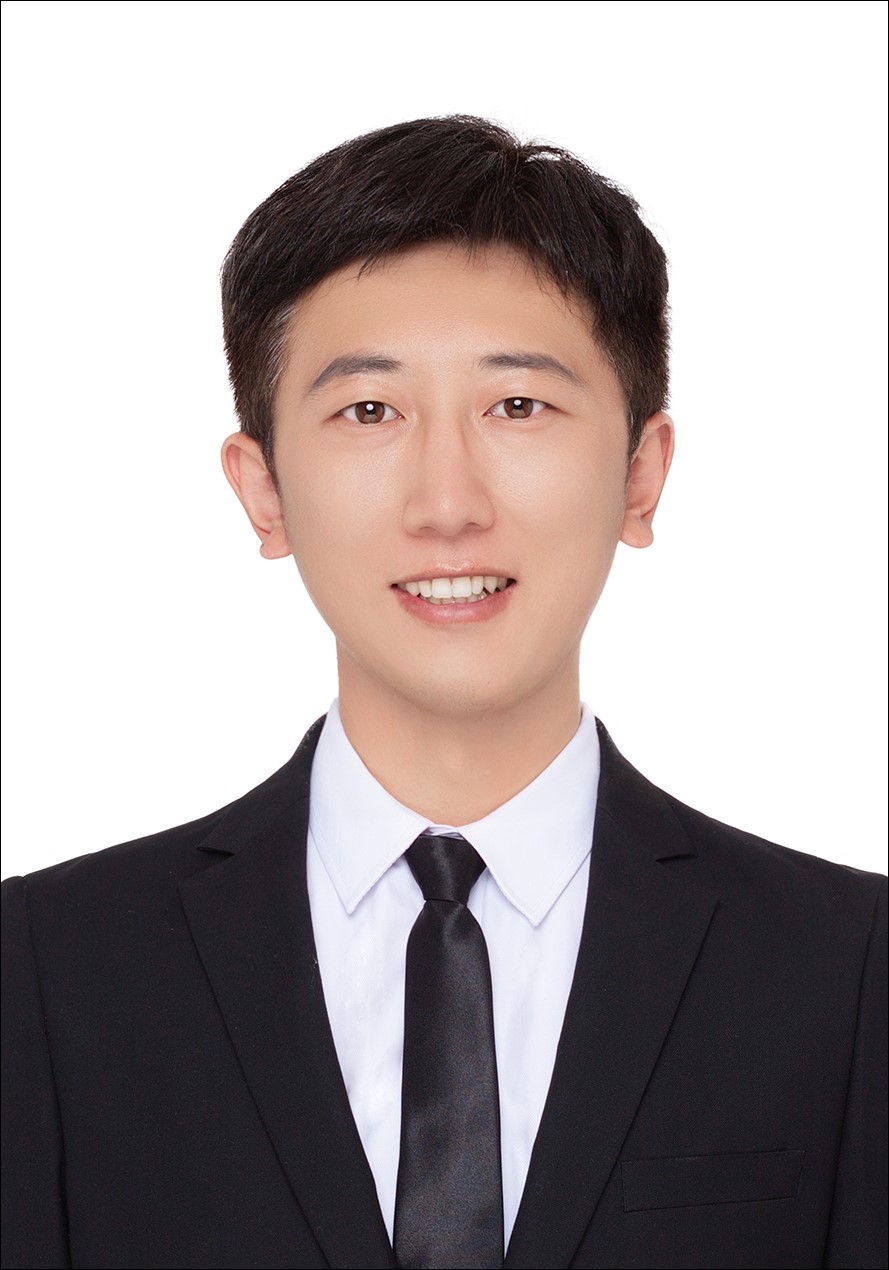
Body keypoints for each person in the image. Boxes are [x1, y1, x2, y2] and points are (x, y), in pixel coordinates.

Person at [1, 116, 885, 1270]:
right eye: (369, 411)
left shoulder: (845, 969)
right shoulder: (50, 970)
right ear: (263, 490)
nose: (448, 502)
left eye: (517, 406)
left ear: (640, 473)